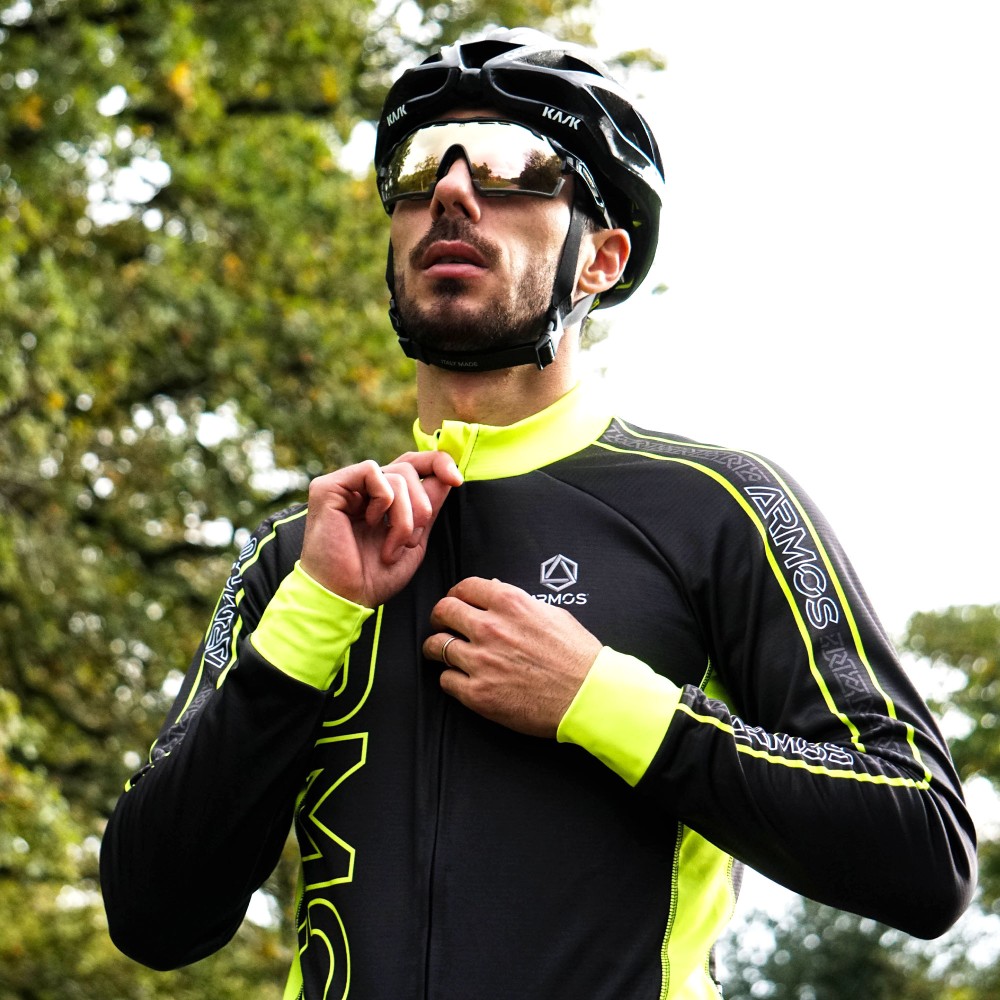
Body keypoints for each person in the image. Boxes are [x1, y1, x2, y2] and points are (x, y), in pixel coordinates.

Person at [101, 27, 976, 1000]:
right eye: (421, 167)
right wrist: (313, 618)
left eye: (513, 164)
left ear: (601, 257)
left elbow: (924, 844)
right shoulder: (301, 553)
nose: (453, 192)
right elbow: (152, 915)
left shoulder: (717, 507)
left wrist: (601, 699)